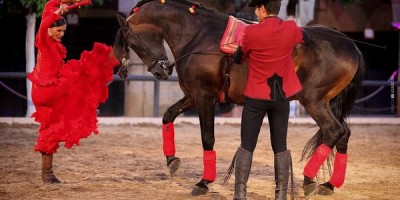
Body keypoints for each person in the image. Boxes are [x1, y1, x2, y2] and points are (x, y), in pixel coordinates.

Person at [27, 0, 119, 184]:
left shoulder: (50, 38)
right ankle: (87, 108)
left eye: (63, 31)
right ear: (50, 31)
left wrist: (62, 2)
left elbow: (47, 8)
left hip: (41, 92)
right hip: (49, 89)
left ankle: (47, 174)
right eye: (59, 31)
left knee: (49, 131)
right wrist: (55, 14)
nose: (61, 34)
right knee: (80, 73)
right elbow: (45, 22)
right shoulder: (44, 40)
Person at [232, 0, 309, 199]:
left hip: (256, 97)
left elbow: (239, 58)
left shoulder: (251, 32)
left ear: (263, 8)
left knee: (247, 144)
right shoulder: (291, 28)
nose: (256, 13)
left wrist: (238, 50)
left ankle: (240, 193)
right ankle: (281, 194)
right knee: (280, 145)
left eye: (257, 9)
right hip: (280, 97)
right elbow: (305, 36)